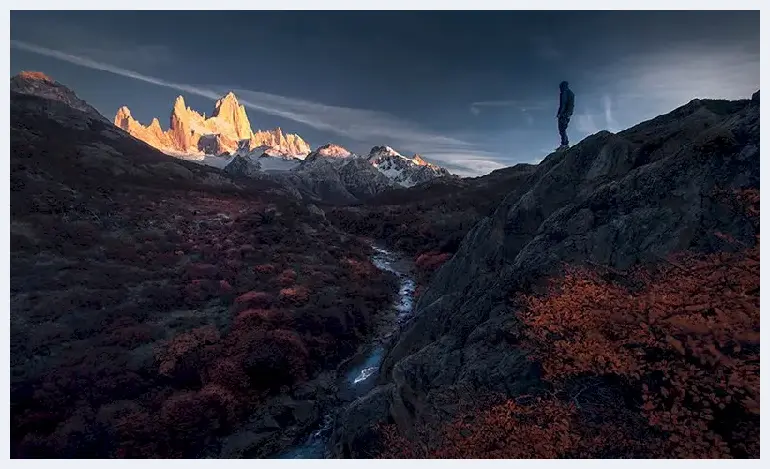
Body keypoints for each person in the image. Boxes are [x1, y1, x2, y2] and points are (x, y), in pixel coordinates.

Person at [556, 81, 575, 150]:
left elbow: (563, 104)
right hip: (568, 113)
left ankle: (564, 144)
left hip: (564, 114)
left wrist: (559, 114)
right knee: (563, 129)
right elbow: (571, 105)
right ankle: (564, 143)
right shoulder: (571, 93)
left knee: (562, 129)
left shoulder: (564, 93)